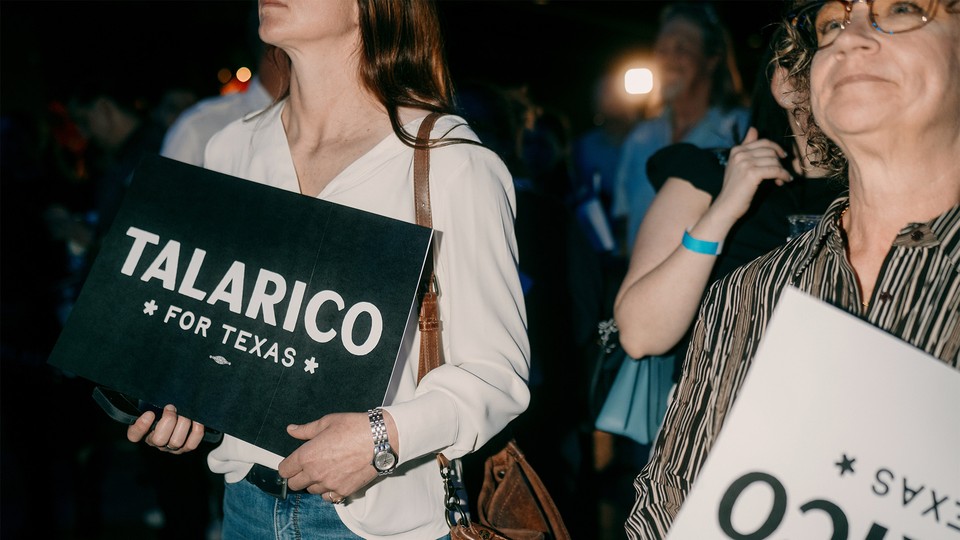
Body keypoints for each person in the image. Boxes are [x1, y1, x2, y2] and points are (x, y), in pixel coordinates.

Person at [127, 1, 531, 539]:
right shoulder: (232, 148)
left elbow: (497, 376)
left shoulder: (450, 163)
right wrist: (189, 408)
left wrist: (382, 438)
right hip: (244, 506)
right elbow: (224, 330)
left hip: (378, 521)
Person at [626, 0, 960, 537]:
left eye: (901, 9)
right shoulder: (749, 291)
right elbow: (667, 508)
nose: (850, 37)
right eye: (832, 23)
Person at [613, 24, 845, 372]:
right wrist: (724, 209)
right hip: (716, 414)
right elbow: (639, 335)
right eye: (838, 63)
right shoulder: (709, 174)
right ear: (787, 84)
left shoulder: (893, 193)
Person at [613, 1, 750, 256]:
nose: (668, 60)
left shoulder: (741, 129)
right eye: (661, 49)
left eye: (681, 48)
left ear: (711, 59)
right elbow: (623, 220)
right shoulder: (640, 137)